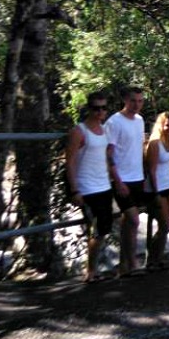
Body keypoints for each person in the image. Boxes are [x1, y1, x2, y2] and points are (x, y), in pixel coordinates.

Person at [66, 92, 114, 283]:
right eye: (96, 108)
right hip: (86, 188)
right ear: (89, 108)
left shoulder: (104, 130)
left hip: (104, 185)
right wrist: (74, 189)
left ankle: (94, 269)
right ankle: (90, 271)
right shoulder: (79, 131)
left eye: (103, 108)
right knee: (97, 230)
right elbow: (69, 162)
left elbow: (107, 156)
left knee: (104, 228)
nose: (100, 111)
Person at [104, 86, 146, 276]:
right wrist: (117, 180)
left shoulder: (140, 120)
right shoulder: (114, 122)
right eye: (133, 101)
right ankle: (134, 264)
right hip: (122, 179)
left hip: (137, 177)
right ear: (125, 100)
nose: (136, 105)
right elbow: (108, 154)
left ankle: (123, 267)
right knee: (134, 220)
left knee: (127, 223)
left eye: (140, 101)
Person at [144, 111, 169, 270]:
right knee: (165, 226)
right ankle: (151, 259)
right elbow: (151, 170)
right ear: (161, 125)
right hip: (155, 188)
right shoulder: (155, 143)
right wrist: (156, 193)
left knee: (166, 225)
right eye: (167, 125)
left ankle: (158, 259)